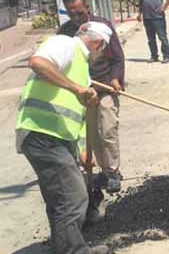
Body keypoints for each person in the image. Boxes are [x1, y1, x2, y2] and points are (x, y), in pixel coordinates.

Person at [15, 22, 114, 254]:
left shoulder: (80, 69)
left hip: (56, 136)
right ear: (98, 43)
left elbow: (77, 115)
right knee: (73, 197)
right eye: (102, 49)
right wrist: (77, 89)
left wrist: (81, 150)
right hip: (43, 132)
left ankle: (62, 247)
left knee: (60, 198)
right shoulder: (66, 44)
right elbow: (37, 63)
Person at [58, 0, 125, 194]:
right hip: (82, 92)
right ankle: (102, 173)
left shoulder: (101, 27)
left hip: (104, 86)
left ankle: (113, 172)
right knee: (92, 134)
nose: (76, 17)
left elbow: (118, 58)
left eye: (79, 12)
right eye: (71, 13)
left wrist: (115, 78)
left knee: (108, 130)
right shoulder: (65, 32)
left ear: (87, 7)